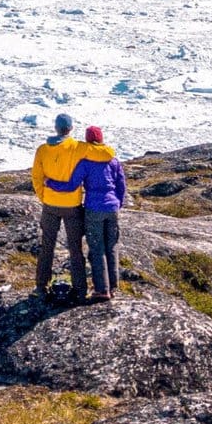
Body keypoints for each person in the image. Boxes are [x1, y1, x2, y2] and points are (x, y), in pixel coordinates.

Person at [45, 125, 127, 300]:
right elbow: (121, 186)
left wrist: (50, 183)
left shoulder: (86, 162)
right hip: (112, 209)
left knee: (96, 248)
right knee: (111, 246)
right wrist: (117, 204)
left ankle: (102, 289)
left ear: (88, 140)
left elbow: (72, 185)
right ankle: (113, 287)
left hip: (94, 208)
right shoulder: (113, 160)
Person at [30, 112, 87, 302]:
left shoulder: (42, 150)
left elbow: (37, 177)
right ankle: (80, 289)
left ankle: (41, 286)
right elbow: (105, 153)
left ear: (56, 127)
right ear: (70, 128)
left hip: (51, 204)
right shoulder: (77, 148)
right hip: (72, 204)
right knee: (75, 247)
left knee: (47, 245)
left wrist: (44, 196)